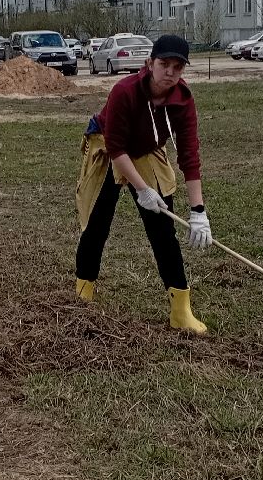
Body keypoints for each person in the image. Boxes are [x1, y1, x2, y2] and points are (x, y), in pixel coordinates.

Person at [74, 34, 213, 333]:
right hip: (109, 145)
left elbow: (189, 155)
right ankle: (82, 294)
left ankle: (180, 310)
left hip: (148, 149)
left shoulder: (183, 100)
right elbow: (116, 148)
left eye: (178, 67)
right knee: (97, 223)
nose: (170, 73)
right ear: (150, 63)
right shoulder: (124, 91)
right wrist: (141, 189)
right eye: (164, 64)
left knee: (162, 230)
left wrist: (198, 211)